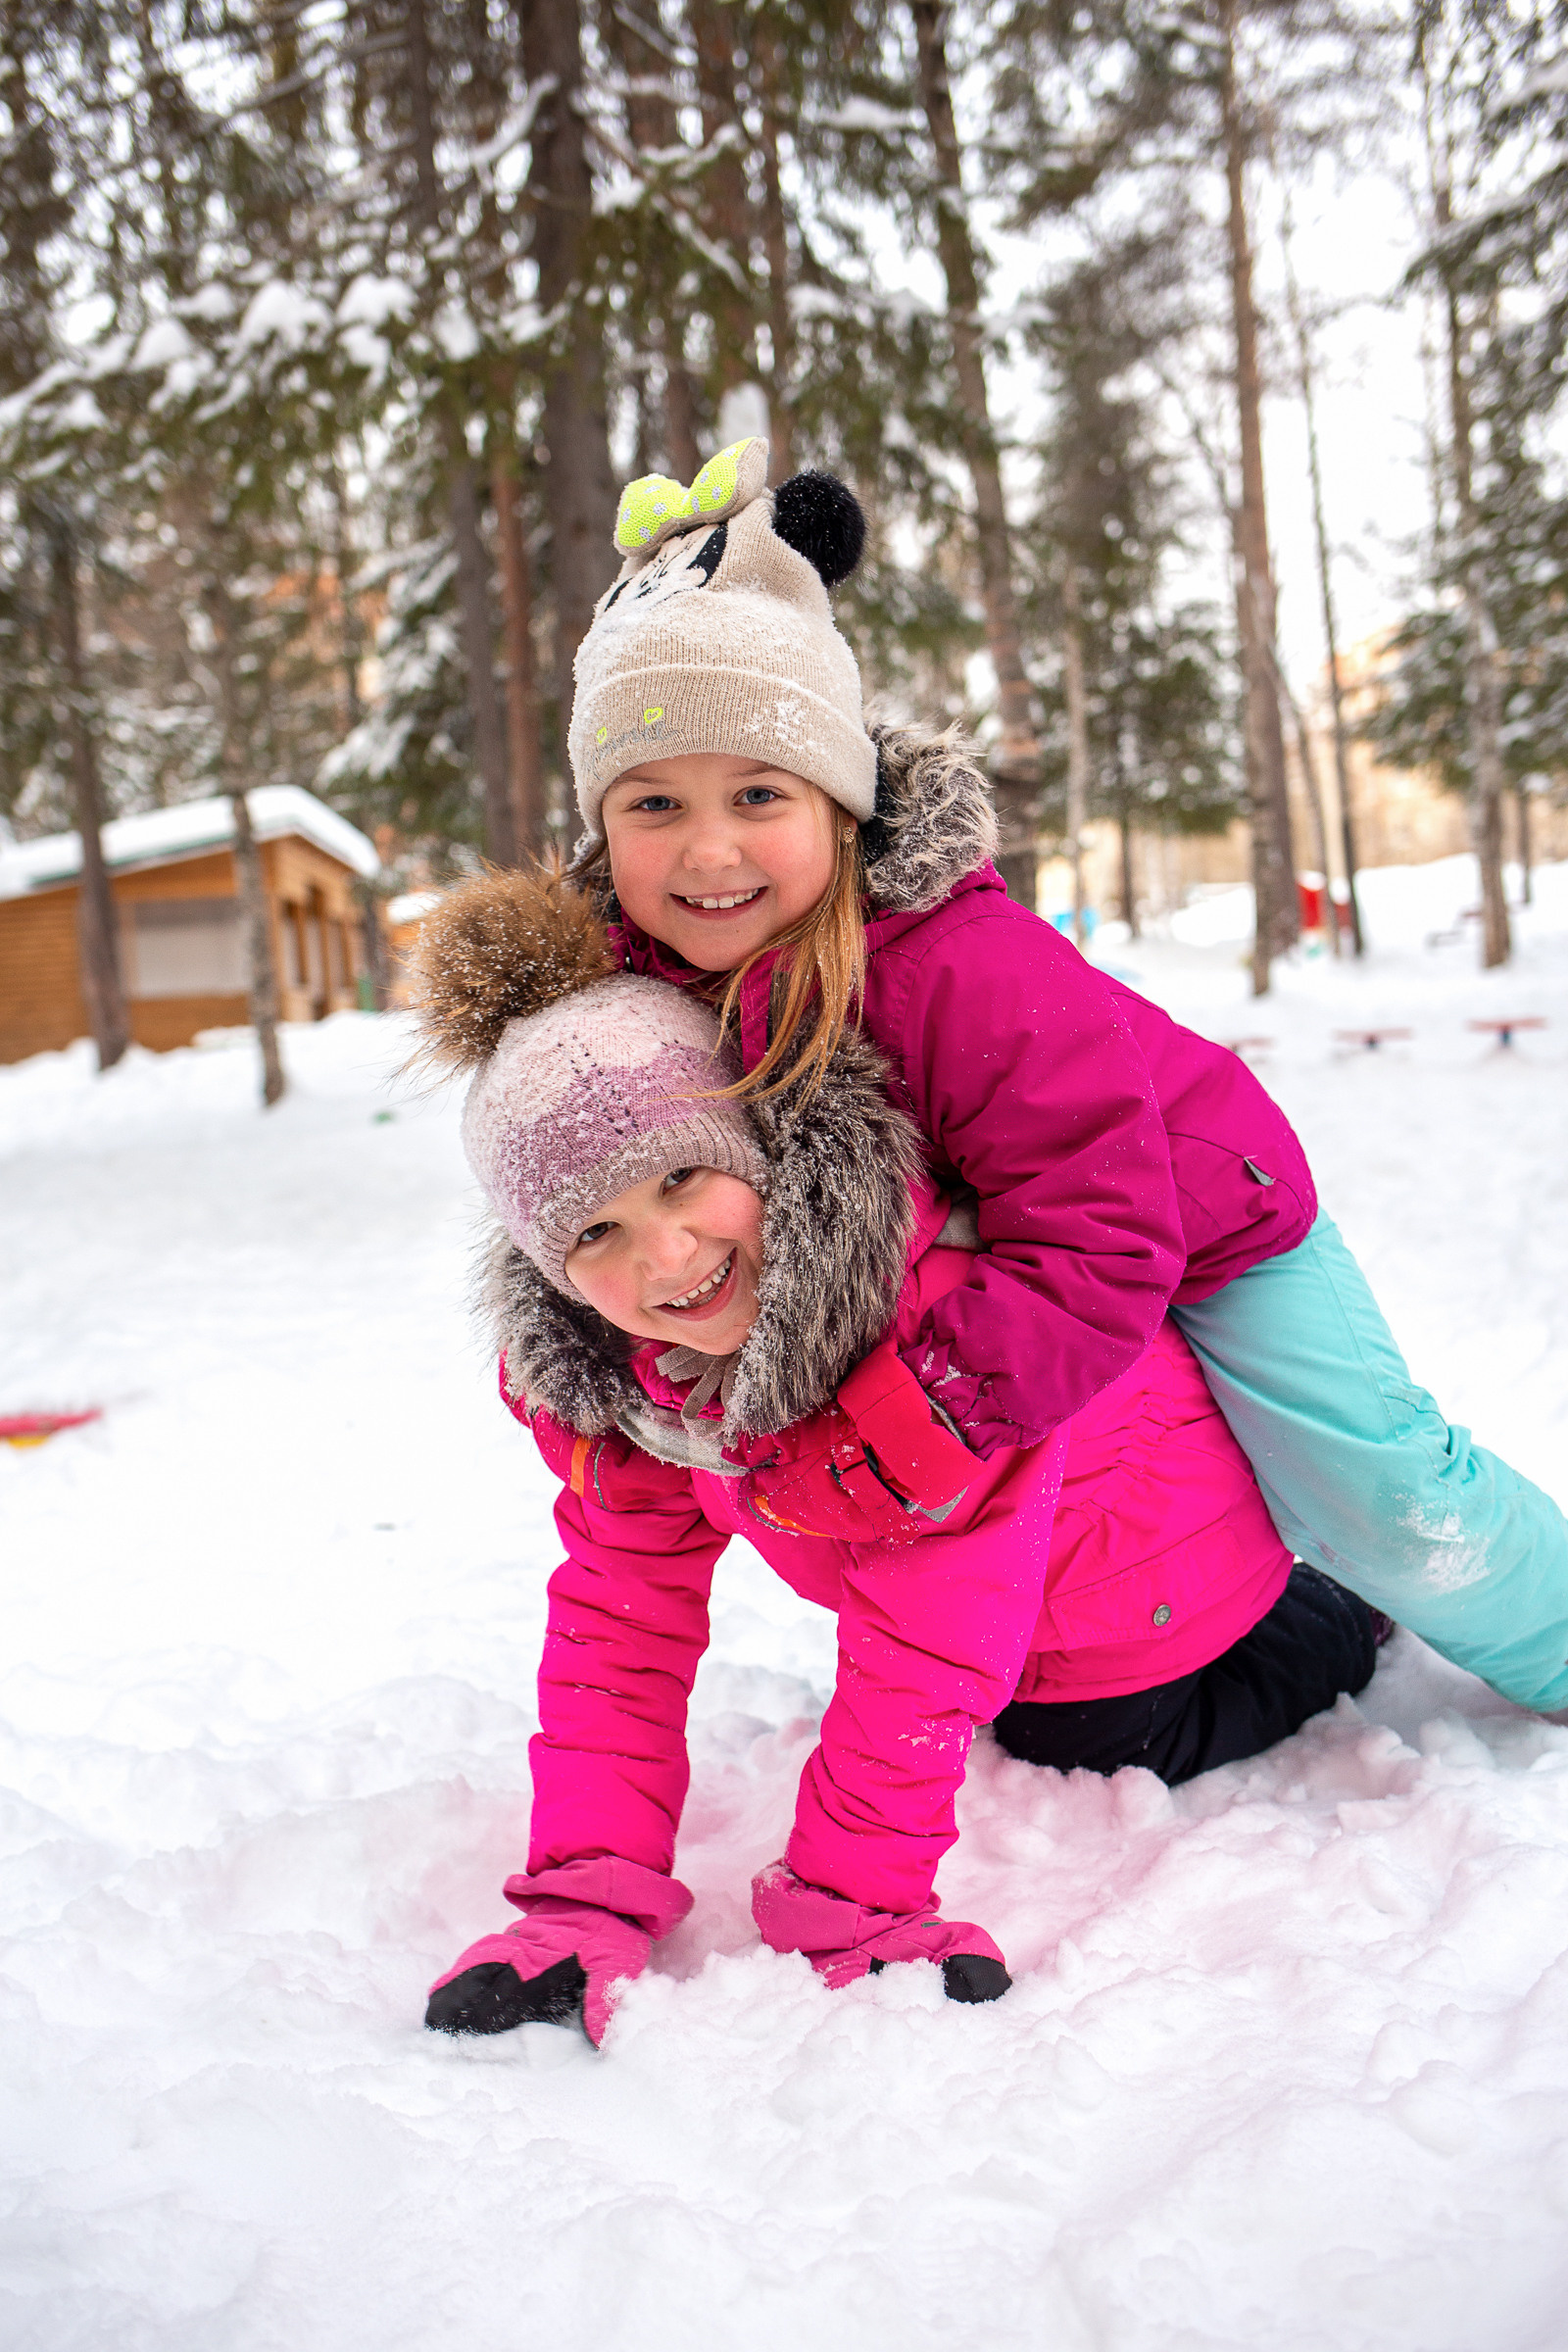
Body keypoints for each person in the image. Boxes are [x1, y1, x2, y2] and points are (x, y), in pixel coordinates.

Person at [561, 432, 1568, 1717]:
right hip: (1043, 1259)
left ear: (840, 806)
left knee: (1374, 1488)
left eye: (759, 792)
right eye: (651, 805)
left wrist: (924, 1413)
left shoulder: (955, 963)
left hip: (1207, 1222)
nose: (709, 848)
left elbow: (1099, 1231)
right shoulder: (646, 1000)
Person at [415, 868, 1378, 2044]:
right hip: (1026, 1605)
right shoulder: (629, 1381)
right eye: (596, 1232)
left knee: (1079, 1728)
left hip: (1151, 1602)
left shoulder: (920, 1334)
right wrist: (579, 1895)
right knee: (1006, 1698)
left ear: (762, 1145)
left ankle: (1343, 1603)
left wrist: (848, 1903)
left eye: (683, 1177)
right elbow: (619, 1621)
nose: (666, 1258)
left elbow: (931, 1636)